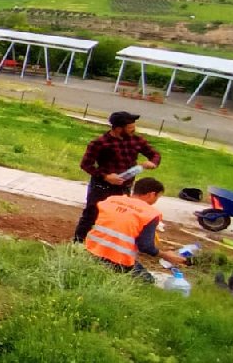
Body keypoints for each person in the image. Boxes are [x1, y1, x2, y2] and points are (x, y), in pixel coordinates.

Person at [73, 111, 161, 243]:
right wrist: (106, 176)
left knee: (117, 217)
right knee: (91, 214)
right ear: (119, 128)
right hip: (102, 187)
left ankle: (105, 244)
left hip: (124, 188)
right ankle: (78, 243)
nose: (133, 130)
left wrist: (152, 163)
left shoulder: (136, 141)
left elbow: (155, 154)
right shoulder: (100, 143)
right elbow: (86, 164)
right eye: (130, 128)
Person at [84, 177, 186, 281]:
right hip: (118, 260)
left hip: (91, 251)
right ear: (151, 194)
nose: (155, 201)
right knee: (147, 281)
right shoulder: (150, 213)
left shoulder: (111, 200)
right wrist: (166, 255)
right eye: (157, 197)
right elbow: (145, 246)